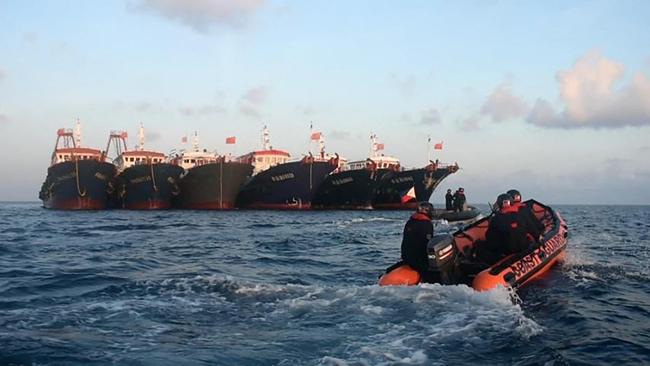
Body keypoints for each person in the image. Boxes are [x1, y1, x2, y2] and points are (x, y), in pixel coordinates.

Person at [475, 193, 531, 265]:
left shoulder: (496, 219)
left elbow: (489, 237)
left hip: (506, 251)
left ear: (499, 204)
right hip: (522, 247)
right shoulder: (522, 215)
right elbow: (531, 229)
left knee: (480, 245)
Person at [401, 201, 435, 275]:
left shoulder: (410, 221)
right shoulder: (427, 223)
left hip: (406, 257)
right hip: (419, 260)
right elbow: (427, 242)